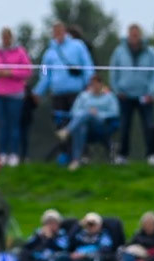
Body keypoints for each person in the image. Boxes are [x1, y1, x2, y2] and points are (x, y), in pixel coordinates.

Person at [33, 21, 94, 159]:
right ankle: (66, 153)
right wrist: (37, 92)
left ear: (65, 31)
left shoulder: (78, 46)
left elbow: (87, 65)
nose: (58, 34)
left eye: (60, 31)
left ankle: (83, 153)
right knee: (60, 126)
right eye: (55, 32)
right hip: (57, 94)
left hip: (76, 93)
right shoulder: (49, 53)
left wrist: (89, 83)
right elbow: (44, 74)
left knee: (77, 123)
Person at [108, 24, 154, 164]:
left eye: (136, 35)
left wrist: (152, 92)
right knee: (124, 126)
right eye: (132, 35)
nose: (134, 37)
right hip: (125, 96)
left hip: (145, 96)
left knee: (149, 126)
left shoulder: (151, 52)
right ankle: (122, 155)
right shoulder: (119, 51)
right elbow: (113, 72)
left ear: (140, 35)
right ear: (128, 35)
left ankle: (152, 155)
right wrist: (117, 90)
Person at [0, 28, 32, 167]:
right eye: (3, 37)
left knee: (14, 125)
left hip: (15, 94)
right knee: (3, 124)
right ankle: (2, 154)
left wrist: (10, 72)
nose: (5, 40)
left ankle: (14, 155)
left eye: (8, 37)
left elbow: (27, 71)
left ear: (11, 38)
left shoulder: (20, 52)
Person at [56, 75, 119, 169]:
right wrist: (87, 114)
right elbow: (74, 111)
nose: (94, 86)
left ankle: (67, 131)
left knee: (87, 114)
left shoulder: (109, 96)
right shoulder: (83, 96)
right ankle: (76, 161)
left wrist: (98, 114)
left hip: (102, 126)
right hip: (84, 126)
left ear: (101, 84)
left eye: (97, 84)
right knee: (82, 126)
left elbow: (115, 112)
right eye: (92, 84)